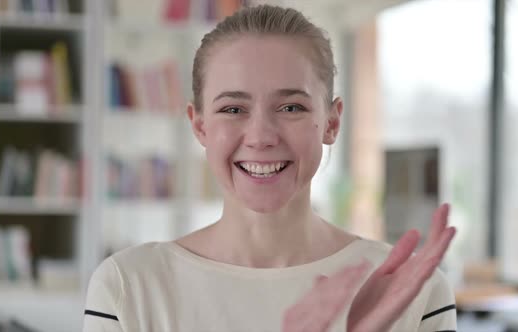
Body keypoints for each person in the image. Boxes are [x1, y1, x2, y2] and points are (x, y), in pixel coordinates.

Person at [83, 4, 457, 332]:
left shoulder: (413, 292)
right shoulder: (128, 286)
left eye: (291, 107)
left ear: (331, 122)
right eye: (233, 109)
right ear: (200, 126)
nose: (261, 136)